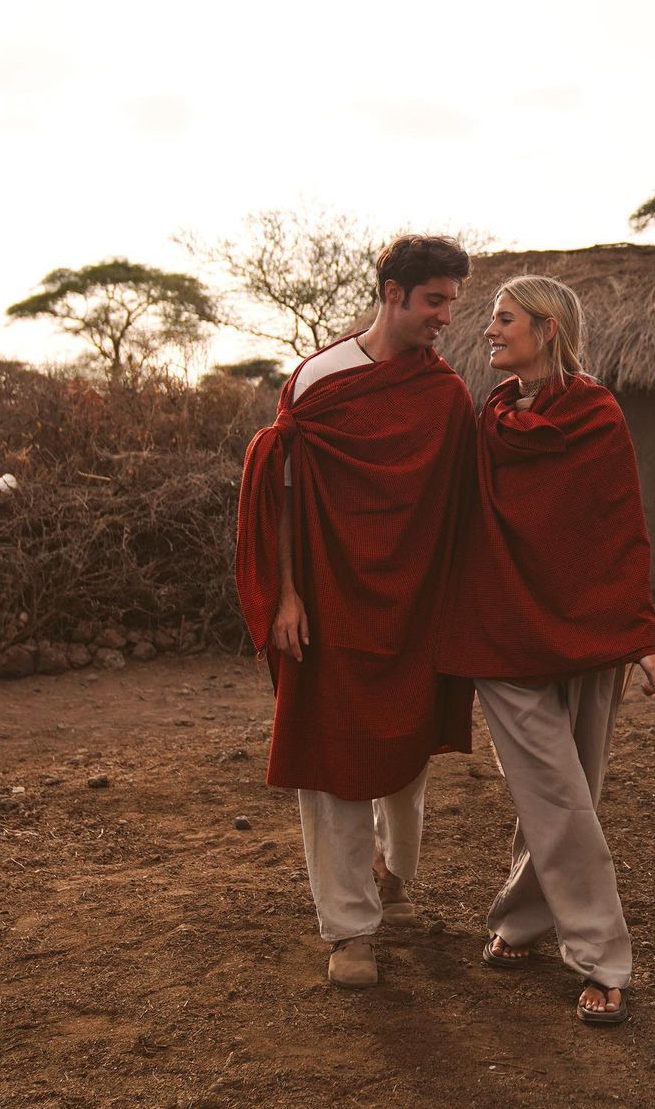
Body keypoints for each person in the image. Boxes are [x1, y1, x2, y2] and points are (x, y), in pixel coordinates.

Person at [236, 235, 476, 989]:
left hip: (413, 606)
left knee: (406, 751)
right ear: (392, 293)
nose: (444, 316)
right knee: (332, 757)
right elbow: (280, 489)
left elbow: (464, 504)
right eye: (433, 300)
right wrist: (285, 595)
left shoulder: (446, 395)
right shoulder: (320, 379)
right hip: (330, 603)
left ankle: (394, 880)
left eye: (451, 302)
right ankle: (348, 930)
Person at [438, 274, 655, 1025]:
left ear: (546, 329)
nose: (488, 331)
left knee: (572, 791)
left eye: (504, 320)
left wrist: (638, 638)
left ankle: (518, 921)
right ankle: (603, 956)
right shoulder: (489, 419)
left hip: (587, 632)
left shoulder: (597, 416)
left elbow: (618, 529)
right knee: (557, 793)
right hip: (500, 633)